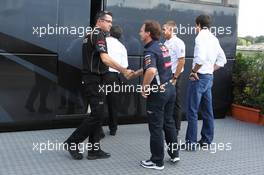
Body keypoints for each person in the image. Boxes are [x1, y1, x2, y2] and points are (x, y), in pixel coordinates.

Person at [64, 11, 133, 160]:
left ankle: (94, 150)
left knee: (99, 113)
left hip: (95, 79)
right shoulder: (98, 34)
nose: (110, 24)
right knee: (97, 114)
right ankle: (72, 142)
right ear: (100, 21)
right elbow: (105, 58)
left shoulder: (90, 34)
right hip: (93, 80)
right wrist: (123, 70)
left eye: (111, 22)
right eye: (108, 21)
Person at [134, 20, 180, 170]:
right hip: (170, 89)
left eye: (141, 31)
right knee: (169, 122)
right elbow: (154, 67)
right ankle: (174, 154)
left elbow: (152, 71)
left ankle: (157, 161)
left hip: (158, 94)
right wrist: (136, 73)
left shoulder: (150, 50)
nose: (139, 33)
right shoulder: (162, 46)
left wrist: (144, 87)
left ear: (148, 33)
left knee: (156, 127)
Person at [183, 14, 227, 151]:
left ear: (198, 25)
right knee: (208, 111)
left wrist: (194, 71)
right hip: (208, 78)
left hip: (199, 78)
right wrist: (210, 70)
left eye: (195, 26)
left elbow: (200, 59)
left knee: (192, 110)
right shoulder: (214, 38)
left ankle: (191, 143)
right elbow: (222, 60)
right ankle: (207, 140)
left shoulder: (200, 37)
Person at [104, 25, 128, 136]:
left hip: (101, 75)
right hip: (114, 78)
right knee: (113, 104)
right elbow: (125, 66)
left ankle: (97, 129)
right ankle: (113, 129)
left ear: (109, 32)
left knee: (99, 103)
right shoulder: (122, 47)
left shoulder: (102, 41)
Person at [162, 20, 186, 132]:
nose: (162, 31)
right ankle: (166, 124)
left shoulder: (178, 42)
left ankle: (176, 128)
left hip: (174, 75)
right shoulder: (165, 43)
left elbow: (181, 61)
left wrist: (175, 77)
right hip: (165, 75)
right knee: (166, 100)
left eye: (164, 29)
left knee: (176, 101)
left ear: (171, 30)